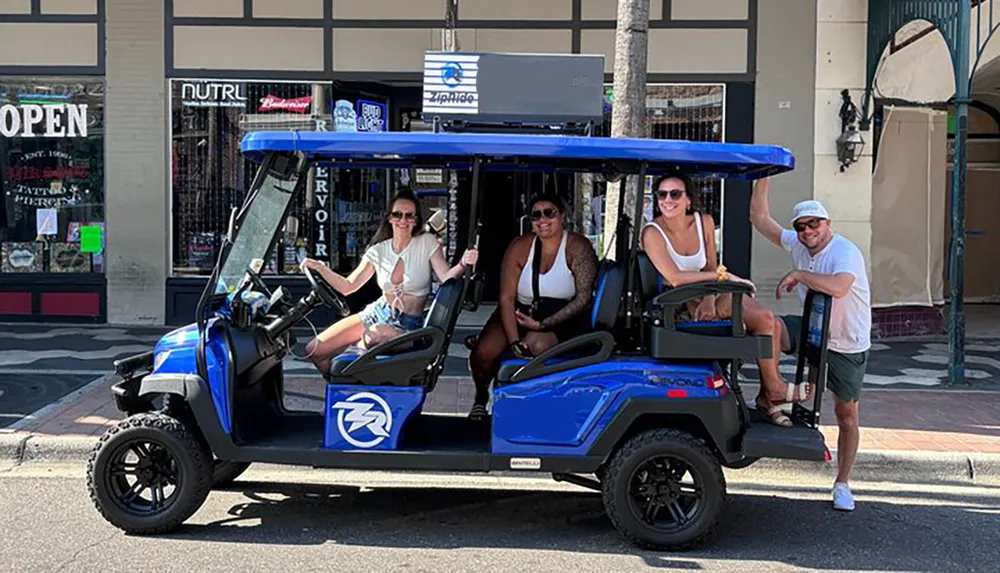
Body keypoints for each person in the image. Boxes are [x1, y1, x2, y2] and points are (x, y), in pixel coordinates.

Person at [640, 174, 810, 426]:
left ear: (688, 199)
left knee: (768, 321)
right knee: (765, 319)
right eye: (662, 194)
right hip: (677, 305)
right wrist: (724, 276)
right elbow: (674, 277)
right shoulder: (652, 232)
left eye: (675, 194)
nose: (667, 200)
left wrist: (710, 296)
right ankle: (774, 390)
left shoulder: (703, 222)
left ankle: (769, 395)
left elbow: (709, 263)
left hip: (708, 295)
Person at [750, 177, 872, 512]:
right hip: (813, 331)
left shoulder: (845, 251)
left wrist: (799, 275)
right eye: (801, 227)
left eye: (813, 224)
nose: (807, 232)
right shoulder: (799, 245)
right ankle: (770, 392)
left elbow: (839, 287)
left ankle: (843, 483)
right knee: (768, 325)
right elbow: (760, 220)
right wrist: (763, 175)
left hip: (847, 342)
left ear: (827, 223)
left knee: (846, 414)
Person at [300, 188, 478, 375]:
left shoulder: (427, 243)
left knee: (374, 335)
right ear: (389, 218)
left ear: (416, 220)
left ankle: (354, 372)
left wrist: (463, 263)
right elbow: (348, 287)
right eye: (397, 215)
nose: (403, 220)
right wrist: (321, 268)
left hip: (408, 324)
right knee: (314, 350)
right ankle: (345, 390)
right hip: (377, 313)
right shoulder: (378, 250)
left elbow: (445, 277)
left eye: (409, 216)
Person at [466, 193, 598, 420]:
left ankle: (525, 406)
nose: (542, 219)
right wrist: (513, 339)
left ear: (562, 216)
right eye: (536, 215)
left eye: (549, 213)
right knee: (484, 352)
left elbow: (583, 299)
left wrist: (542, 324)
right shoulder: (520, 246)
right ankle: (480, 398)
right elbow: (506, 298)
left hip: (563, 317)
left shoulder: (577, 246)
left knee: (534, 345)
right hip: (522, 309)